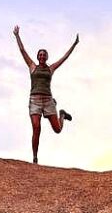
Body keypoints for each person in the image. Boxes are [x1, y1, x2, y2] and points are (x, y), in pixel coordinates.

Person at [13, 25, 79, 164]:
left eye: (44, 55)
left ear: (46, 57)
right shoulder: (32, 66)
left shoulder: (51, 68)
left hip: (48, 101)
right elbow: (22, 50)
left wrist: (74, 44)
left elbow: (65, 57)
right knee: (36, 127)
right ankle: (35, 157)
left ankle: (61, 114)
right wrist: (17, 35)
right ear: (38, 57)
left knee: (57, 129)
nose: (42, 56)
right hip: (35, 101)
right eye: (40, 55)